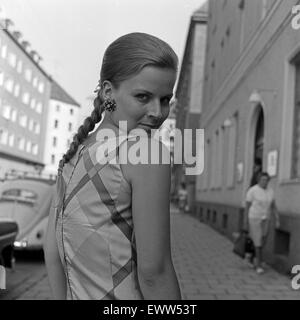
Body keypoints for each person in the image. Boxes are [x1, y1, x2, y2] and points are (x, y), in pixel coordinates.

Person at [44, 32, 181, 300]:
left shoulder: (73, 154)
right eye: (143, 97)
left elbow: (52, 251)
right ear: (108, 92)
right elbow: (155, 272)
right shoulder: (147, 153)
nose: (157, 112)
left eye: (165, 99)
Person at [244, 172, 280, 274]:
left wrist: (277, 219)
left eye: (266, 180)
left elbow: (273, 206)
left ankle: (251, 258)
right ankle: (258, 265)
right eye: (263, 180)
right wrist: (245, 221)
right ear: (259, 180)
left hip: (266, 219)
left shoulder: (270, 191)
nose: (265, 182)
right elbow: (247, 206)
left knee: (263, 239)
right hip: (254, 217)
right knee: (258, 241)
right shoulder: (253, 191)